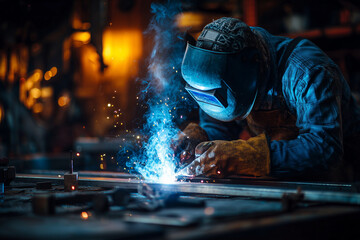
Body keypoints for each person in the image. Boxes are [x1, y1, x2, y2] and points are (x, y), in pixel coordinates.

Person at [175, 17, 360, 181]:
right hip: (281, 179)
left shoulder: (307, 72)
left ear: (253, 62)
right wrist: (201, 142)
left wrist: (249, 157)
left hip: (339, 179)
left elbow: (325, 148)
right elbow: (220, 126)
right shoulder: (212, 79)